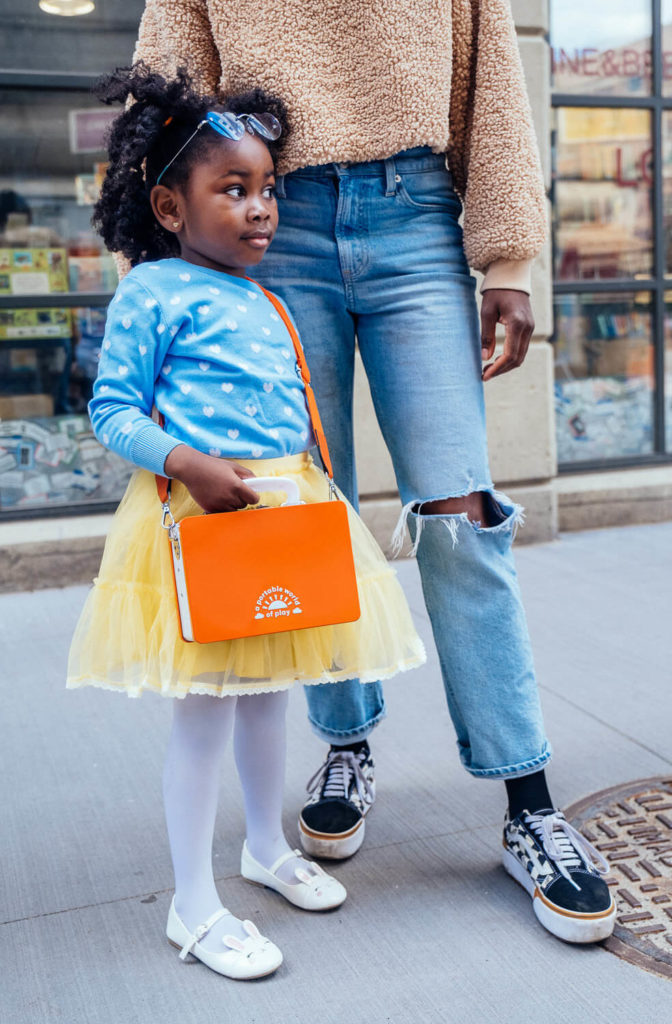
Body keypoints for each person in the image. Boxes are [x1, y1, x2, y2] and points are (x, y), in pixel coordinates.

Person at [129, 0, 617, 945]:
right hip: (266, 215)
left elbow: (489, 85)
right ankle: (345, 742)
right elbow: (167, 99)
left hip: (416, 217)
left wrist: (508, 257)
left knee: (460, 510)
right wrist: (167, 280)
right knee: (302, 514)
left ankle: (528, 803)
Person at [66, 64, 426, 981]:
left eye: (266, 189)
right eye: (234, 190)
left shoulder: (266, 298)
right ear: (171, 207)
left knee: (271, 697)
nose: (261, 208)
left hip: (279, 515)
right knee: (204, 717)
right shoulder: (154, 291)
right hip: (200, 518)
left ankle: (264, 847)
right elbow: (112, 410)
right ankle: (192, 904)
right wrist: (185, 462)